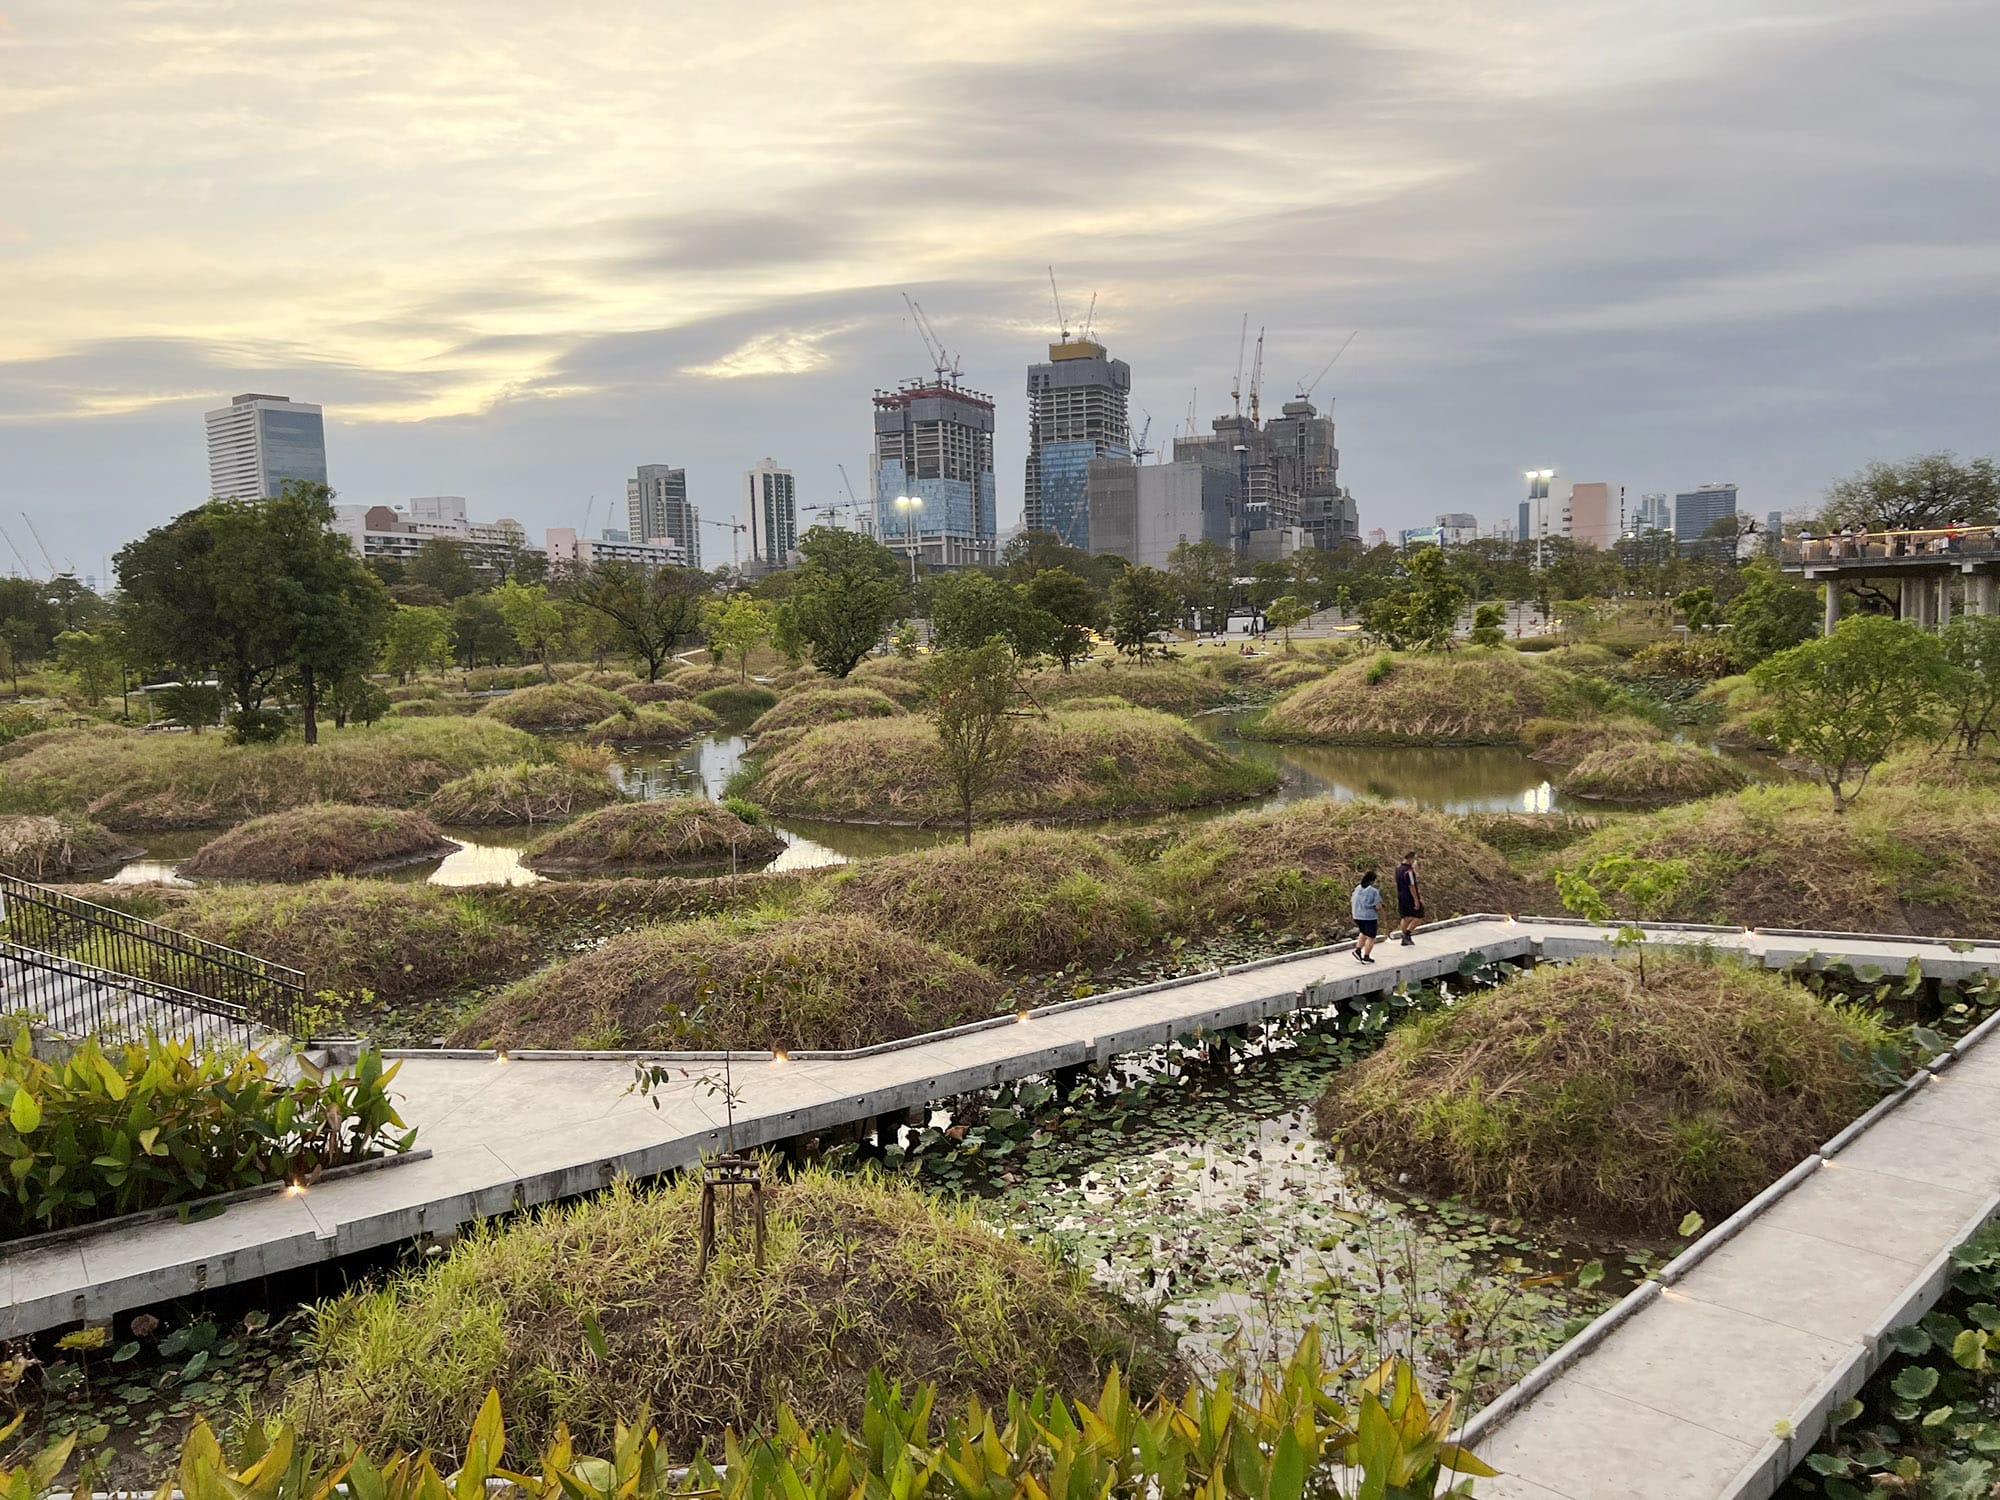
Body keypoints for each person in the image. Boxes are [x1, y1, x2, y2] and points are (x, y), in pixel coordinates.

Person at [1349, 871, 1381, 963]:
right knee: (1371, 936)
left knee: (1363, 932)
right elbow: (1377, 906)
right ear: (1373, 881)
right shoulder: (1373, 891)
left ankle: (1358, 950)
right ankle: (1366, 956)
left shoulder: (1358, 888)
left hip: (1357, 915)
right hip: (1369, 916)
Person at [1394, 851, 1424, 945]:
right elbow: (1412, 886)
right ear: (1410, 859)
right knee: (1419, 916)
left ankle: (1404, 936)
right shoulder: (1409, 871)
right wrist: (1416, 900)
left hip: (1401, 895)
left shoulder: (1398, 868)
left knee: (1405, 917)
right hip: (1409, 896)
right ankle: (1407, 934)